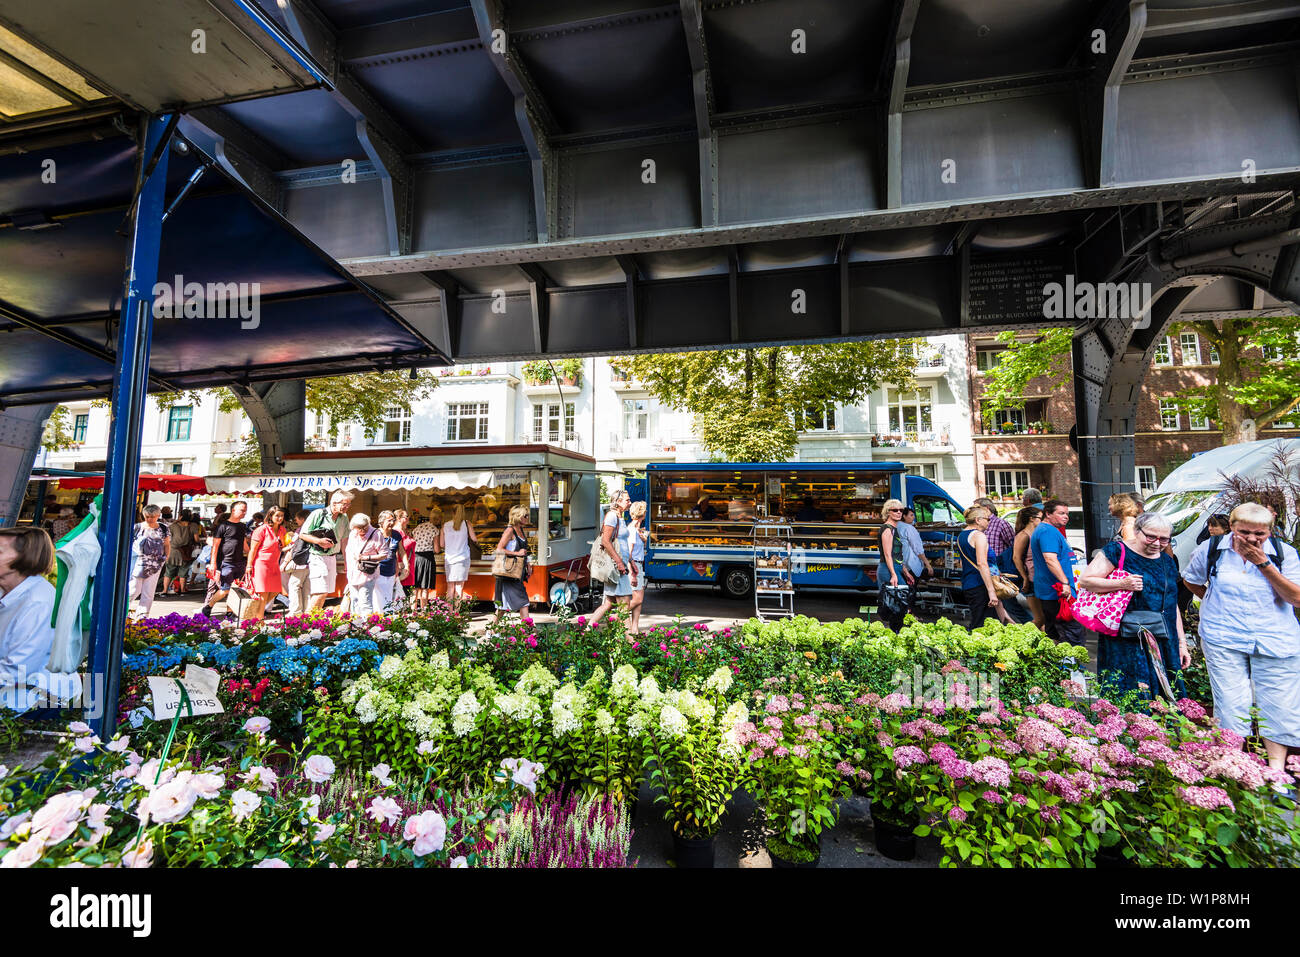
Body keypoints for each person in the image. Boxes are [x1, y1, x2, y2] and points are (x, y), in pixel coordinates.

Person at [1183, 502, 1300, 772]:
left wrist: (1264, 563)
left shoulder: (1284, 554)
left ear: (1270, 530)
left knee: (1279, 702)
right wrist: (1213, 602)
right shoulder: (1212, 550)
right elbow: (1191, 579)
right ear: (1232, 527)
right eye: (1244, 531)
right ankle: (1233, 766)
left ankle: (1276, 771)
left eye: (1259, 534)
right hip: (1223, 635)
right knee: (1230, 702)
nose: (1251, 538)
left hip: (1275, 637)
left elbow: (1295, 598)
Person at [1079, 512, 1188, 700]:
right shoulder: (1117, 551)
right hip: (1126, 638)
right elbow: (1086, 581)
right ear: (1137, 531)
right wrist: (1123, 584)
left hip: (1163, 637)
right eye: (1151, 536)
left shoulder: (1167, 561)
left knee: (1167, 695)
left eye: (1164, 539)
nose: (1156, 543)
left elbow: (1172, 605)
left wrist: (1182, 643)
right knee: (1129, 690)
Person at [0, 527, 57, 712]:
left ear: (22, 558)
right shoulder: (8, 590)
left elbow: (18, 670)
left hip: (27, 703)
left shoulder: (38, 602)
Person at [1031, 499, 1084, 644]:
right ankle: (1071, 665)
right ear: (1047, 514)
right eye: (1061, 513)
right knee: (1069, 634)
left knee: (1054, 632)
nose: (1066, 516)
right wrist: (1065, 582)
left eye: (1067, 514)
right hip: (1057, 592)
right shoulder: (1047, 532)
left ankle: (1059, 664)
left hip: (1054, 590)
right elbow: (1050, 559)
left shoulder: (1047, 530)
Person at [975, 497, 1030, 624]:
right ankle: (1008, 622)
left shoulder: (1001, 524)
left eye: (978, 508)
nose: (975, 511)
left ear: (987, 509)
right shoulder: (979, 526)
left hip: (999, 566)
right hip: (987, 566)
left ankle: (1028, 623)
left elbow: (1012, 545)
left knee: (1007, 598)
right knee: (998, 600)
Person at [955, 505, 1008, 627]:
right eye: (987, 519)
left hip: (969, 584)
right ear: (978, 520)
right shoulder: (979, 536)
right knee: (982, 626)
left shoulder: (961, 536)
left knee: (979, 621)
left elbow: (962, 563)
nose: (989, 522)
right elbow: (982, 563)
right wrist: (991, 592)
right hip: (981, 585)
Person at [587, 491, 632, 628]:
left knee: (609, 603)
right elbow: (606, 541)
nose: (629, 502)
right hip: (616, 567)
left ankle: (588, 631)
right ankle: (631, 642)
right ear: (617, 502)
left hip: (620, 565)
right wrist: (619, 562)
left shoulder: (619, 517)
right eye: (627, 500)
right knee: (624, 605)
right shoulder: (612, 516)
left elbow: (621, 543)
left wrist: (631, 562)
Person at [301, 492, 353, 610]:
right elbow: (302, 534)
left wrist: (347, 561)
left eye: (349, 505)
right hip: (317, 556)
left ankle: (315, 622)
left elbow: (345, 541)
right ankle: (307, 622)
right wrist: (319, 541)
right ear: (334, 503)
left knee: (324, 593)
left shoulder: (344, 518)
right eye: (345, 504)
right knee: (320, 592)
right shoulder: (318, 514)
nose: (347, 507)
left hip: (332, 558)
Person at [202, 501, 249, 619]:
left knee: (235, 589)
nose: (244, 512)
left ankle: (230, 612)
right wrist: (213, 563)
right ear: (233, 510)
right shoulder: (223, 526)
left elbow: (243, 543)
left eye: (245, 510)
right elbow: (215, 546)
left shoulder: (242, 526)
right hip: (225, 562)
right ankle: (208, 606)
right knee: (225, 589)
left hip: (239, 561)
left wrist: (252, 554)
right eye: (242, 510)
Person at [492, 505, 533, 626]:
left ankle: (491, 630)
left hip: (516, 574)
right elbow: (499, 549)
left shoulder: (521, 530)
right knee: (523, 602)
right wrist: (517, 553)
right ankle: (528, 631)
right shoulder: (510, 530)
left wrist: (528, 564)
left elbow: (524, 550)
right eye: (525, 516)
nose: (527, 518)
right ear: (518, 517)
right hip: (508, 573)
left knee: (503, 607)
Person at [245, 506, 288, 621]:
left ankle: (255, 613)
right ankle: (259, 620)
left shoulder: (282, 530)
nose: (280, 518)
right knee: (263, 593)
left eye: (281, 516)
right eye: (277, 516)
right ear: (270, 516)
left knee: (275, 590)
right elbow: (253, 549)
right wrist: (249, 565)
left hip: (274, 564)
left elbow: (282, 547)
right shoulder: (261, 530)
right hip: (261, 564)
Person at [877, 498, 913, 632]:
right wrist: (893, 574)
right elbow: (887, 555)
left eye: (901, 510)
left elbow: (896, 555)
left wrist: (905, 571)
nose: (899, 512)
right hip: (888, 569)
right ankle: (894, 633)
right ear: (888, 512)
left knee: (898, 604)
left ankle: (895, 632)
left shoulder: (894, 529)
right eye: (895, 510)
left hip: (894, 568)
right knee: (896, 604)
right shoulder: (887, 529)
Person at [128, 505, 170, 619]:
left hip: (156, 563)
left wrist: (166, 557)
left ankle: (142, 616)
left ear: (158, 516)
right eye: (147, 516)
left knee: (149, 591)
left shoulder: (163, 528)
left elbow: (166, 544)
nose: (150, 519)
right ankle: (123, 610)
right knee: (133, 588)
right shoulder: (137, 527)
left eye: (153, 517)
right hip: (138, 562)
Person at [1011, 507, 1046, 630]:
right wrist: (1024, 577)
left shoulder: (1036, 534)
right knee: (1040, 618)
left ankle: (1042, 643)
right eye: (1041, 518)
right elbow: (1016, 557)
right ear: (1032, 519)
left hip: (1038, 577)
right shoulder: (1023, 535)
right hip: (1030, 579)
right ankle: (1020, 636)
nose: (1043, 521)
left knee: (1044, 617)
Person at [345, 513, 385, 618]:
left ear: (368, 523)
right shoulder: (353, 533)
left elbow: (384, 554)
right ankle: (356, 627)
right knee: (354, 601)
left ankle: (367, 629)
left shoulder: (376, 534)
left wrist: (366, 557)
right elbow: (349, 550)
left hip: (367, 574)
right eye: (359, 528)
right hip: (353, 573)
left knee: (365, 602)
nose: (362, 530)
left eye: (364, 527)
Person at [440, 505, 478, 607]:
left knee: (450, 587)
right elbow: (474, 539)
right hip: (462, 558)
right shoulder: (467, 524)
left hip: (449, 559)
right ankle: (456, 613)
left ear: (452, 512)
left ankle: (449, 613)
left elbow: (442, 545)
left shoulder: (445, 525)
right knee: (459, 587)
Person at [624, 501, 649, 634]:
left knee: (638, 601)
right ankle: (618, 616)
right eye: (644, 511)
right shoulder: (632, 530)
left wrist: (644, 540)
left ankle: (635, 629)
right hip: (635, 567)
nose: (646, 513)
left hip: (638, 565)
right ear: (641, 513)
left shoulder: (637, 529)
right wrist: (632, 573)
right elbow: (629, 553)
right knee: (638, 598)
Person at [374, 510, 405, 612]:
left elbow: (401, 551)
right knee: (378, 598)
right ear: (381, 522)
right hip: (378, 570)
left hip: (391, 571)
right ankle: (378, 619)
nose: (392, 523)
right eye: (389, 520)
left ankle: (386, 619)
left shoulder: (396, 534)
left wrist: (405, 566)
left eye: (393, 520)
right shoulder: (375, 534)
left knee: (388, 596)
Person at [161, 509, 196, 595]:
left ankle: (164, 591)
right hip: (185, 552)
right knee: (183, 572)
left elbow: (168, 539)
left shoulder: (173, 526)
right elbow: (197, 539)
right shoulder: (194, 525)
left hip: (173, 551)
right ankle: (183, 590)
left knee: (168, 572)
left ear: (180, 516)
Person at [282, 510, 311, 616]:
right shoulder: (314, 529)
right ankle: (307, 611)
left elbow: (294, 548)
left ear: (302, 519)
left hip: (300, 563)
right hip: (312, 562)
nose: (296, 521)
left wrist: (285, 562)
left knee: (294, 586)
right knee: (307, 588)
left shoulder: (301, 530)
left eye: (297, 519)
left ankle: (295, 611)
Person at [411, 512, 441, 613]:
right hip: (427, 558)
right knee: (424, 587)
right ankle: (424, 612)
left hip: (415, 558)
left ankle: (413, 611)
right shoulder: (435, 529)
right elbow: (437, 550)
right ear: (438, 519)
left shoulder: (418, 527)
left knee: (415, 587)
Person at [898, 508, 934, 581]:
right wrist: (928, 564)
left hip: (899, 564)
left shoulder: (896, 526)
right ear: (904, 516)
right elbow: (918, 549)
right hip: (910, 565)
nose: (913, 517)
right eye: (911, 515)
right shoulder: (909, 528)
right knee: (911, 588)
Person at [394, 509, 417, 607]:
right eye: (405, 517)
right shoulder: (396, 532)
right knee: (401, 594)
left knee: (408, 593)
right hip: (401, 567)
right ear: (399, 518)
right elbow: (396, 550)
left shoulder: (405, 531)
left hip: (408, 566)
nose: (408, 519)